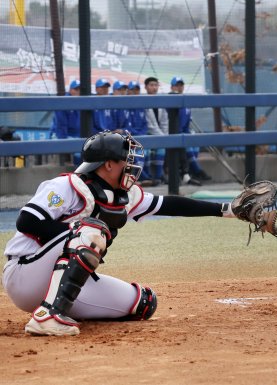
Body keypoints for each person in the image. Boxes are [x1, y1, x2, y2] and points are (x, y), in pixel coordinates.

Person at [1, 130, 255, 336]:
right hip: (24, 275)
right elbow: (27, 221)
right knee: (90, 230)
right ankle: (47, 317)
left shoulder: (124, 195)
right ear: (109, 164)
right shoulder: (67, 186)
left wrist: (227, 209)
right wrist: (77, 236)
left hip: (61, 281)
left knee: (143, 303)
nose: (132, 164)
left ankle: (60, 306)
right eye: (127, 158)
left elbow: (170, 204)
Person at [169, 76, 212, 185]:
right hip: (173, 134)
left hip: (184, 132)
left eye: (181, 85)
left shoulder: (186, 102)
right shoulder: (169, 100)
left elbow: (186, 125)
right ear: (172, 87)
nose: (179, 87)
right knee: (185, 146)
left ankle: (191, 172)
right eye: (176, 85)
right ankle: (196, 171)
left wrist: (190, 134)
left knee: (195, 143)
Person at [125, 81, 153, 184]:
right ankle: (144, 177)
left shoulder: (141, 105)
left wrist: (142, 134)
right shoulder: (125, 105)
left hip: (140, 135)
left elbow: (145, 124)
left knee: (147, 150)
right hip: (131, 135)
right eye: (133, 89)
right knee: (136, 151)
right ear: (128, 91)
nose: (135, 92)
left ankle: (148, 176)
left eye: (137, 89)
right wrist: (138, 134)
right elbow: (127, 126)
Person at [51, 79, 82, 166]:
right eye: (76, 89)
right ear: (70, 90)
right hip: (60, 135)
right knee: (79, 151)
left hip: (76, 136)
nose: (78, 92)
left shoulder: (82, 102)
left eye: (80, 90)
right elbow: (61, 128)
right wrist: (65, 146)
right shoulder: (64, 102)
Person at [144, 77, 167, 184]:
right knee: (149, 149)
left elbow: (164, 122)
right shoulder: (142, 102)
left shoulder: (161, 102)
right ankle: (151, 177)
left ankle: (159, 176)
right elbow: (150, 126)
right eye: (151, 85)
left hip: (160, 135)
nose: (154, 87)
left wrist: (165, 135)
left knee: (163, 147)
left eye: (156, 85)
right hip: (149, 134)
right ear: (146, 87)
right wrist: (162, 136)